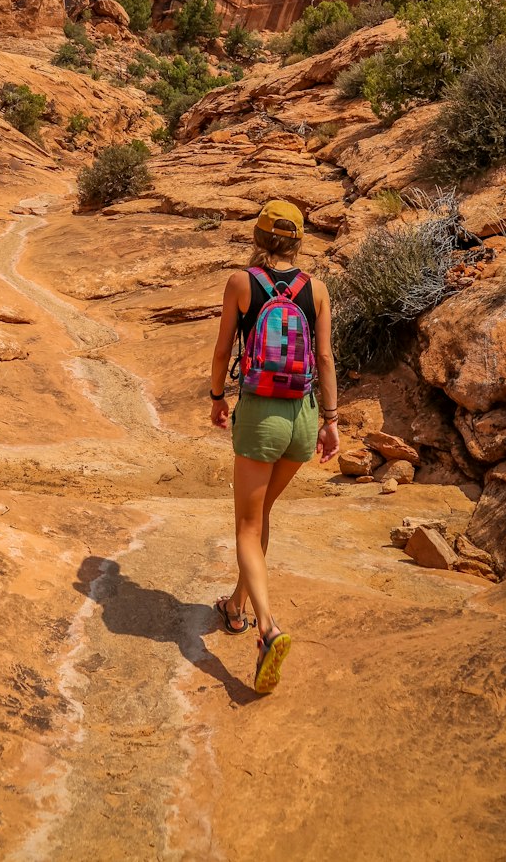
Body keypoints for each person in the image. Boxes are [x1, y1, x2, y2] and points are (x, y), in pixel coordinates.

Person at [208, 199, 339, 694]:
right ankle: (236, 609)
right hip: (303, 418)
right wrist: (330, 421)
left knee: (246, 523)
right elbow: (324, 357)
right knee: (261, 517)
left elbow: (224, 348)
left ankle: (267, 628)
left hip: (261, 414)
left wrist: (218, 397)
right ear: (299, 241)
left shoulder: (243, 283)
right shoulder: (318, 289)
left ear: (259, 239)